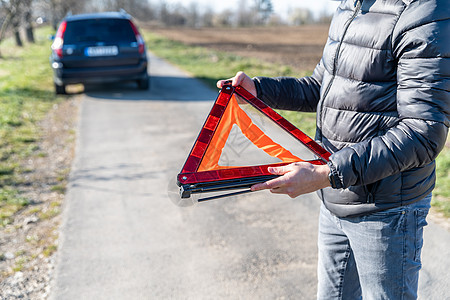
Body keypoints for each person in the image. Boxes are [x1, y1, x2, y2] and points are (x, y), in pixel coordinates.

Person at [217, 0, 449, 298]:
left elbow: (423, 132)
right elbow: (321, 87)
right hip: (335, 197)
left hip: (386, 209)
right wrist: (260, 90)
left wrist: (329, 173)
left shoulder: (425, 11)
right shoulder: (350, 6)